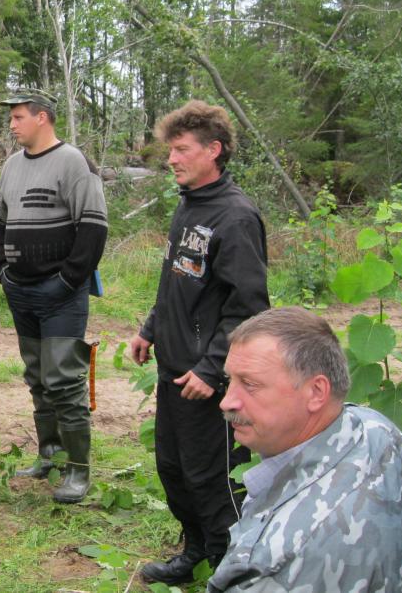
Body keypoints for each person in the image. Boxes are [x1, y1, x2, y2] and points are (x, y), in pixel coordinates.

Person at [129, 100, 269, 584]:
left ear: (214, 150)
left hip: (210, 381)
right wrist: (151, 328)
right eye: (171, 150)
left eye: (182, 149)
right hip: (174, 370)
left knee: (214, 479)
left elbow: (248, 306)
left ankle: (234, 572)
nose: (172, 159)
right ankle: (196, 553)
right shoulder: (189, 205)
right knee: (174, 469)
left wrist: (212, 369)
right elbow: (178, 280)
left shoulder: (236, 217)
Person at [209, 306, 402, 592]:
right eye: (230, 381)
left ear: (316, 392)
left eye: (250, 384)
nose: (227, 401)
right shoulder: (378, 431)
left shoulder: (274, 562)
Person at [0, 90, 108, 504]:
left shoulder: (74, 163)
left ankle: (78, 470)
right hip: (20, 291)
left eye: (19, 117)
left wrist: (67, 280)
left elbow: (94, 227)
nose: (12, 124)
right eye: (12, 117)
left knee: (64, 380)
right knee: (38, 377)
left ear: (42, 117)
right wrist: (1, 271)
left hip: (61, 295)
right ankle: (50, 455)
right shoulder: (11, 166)